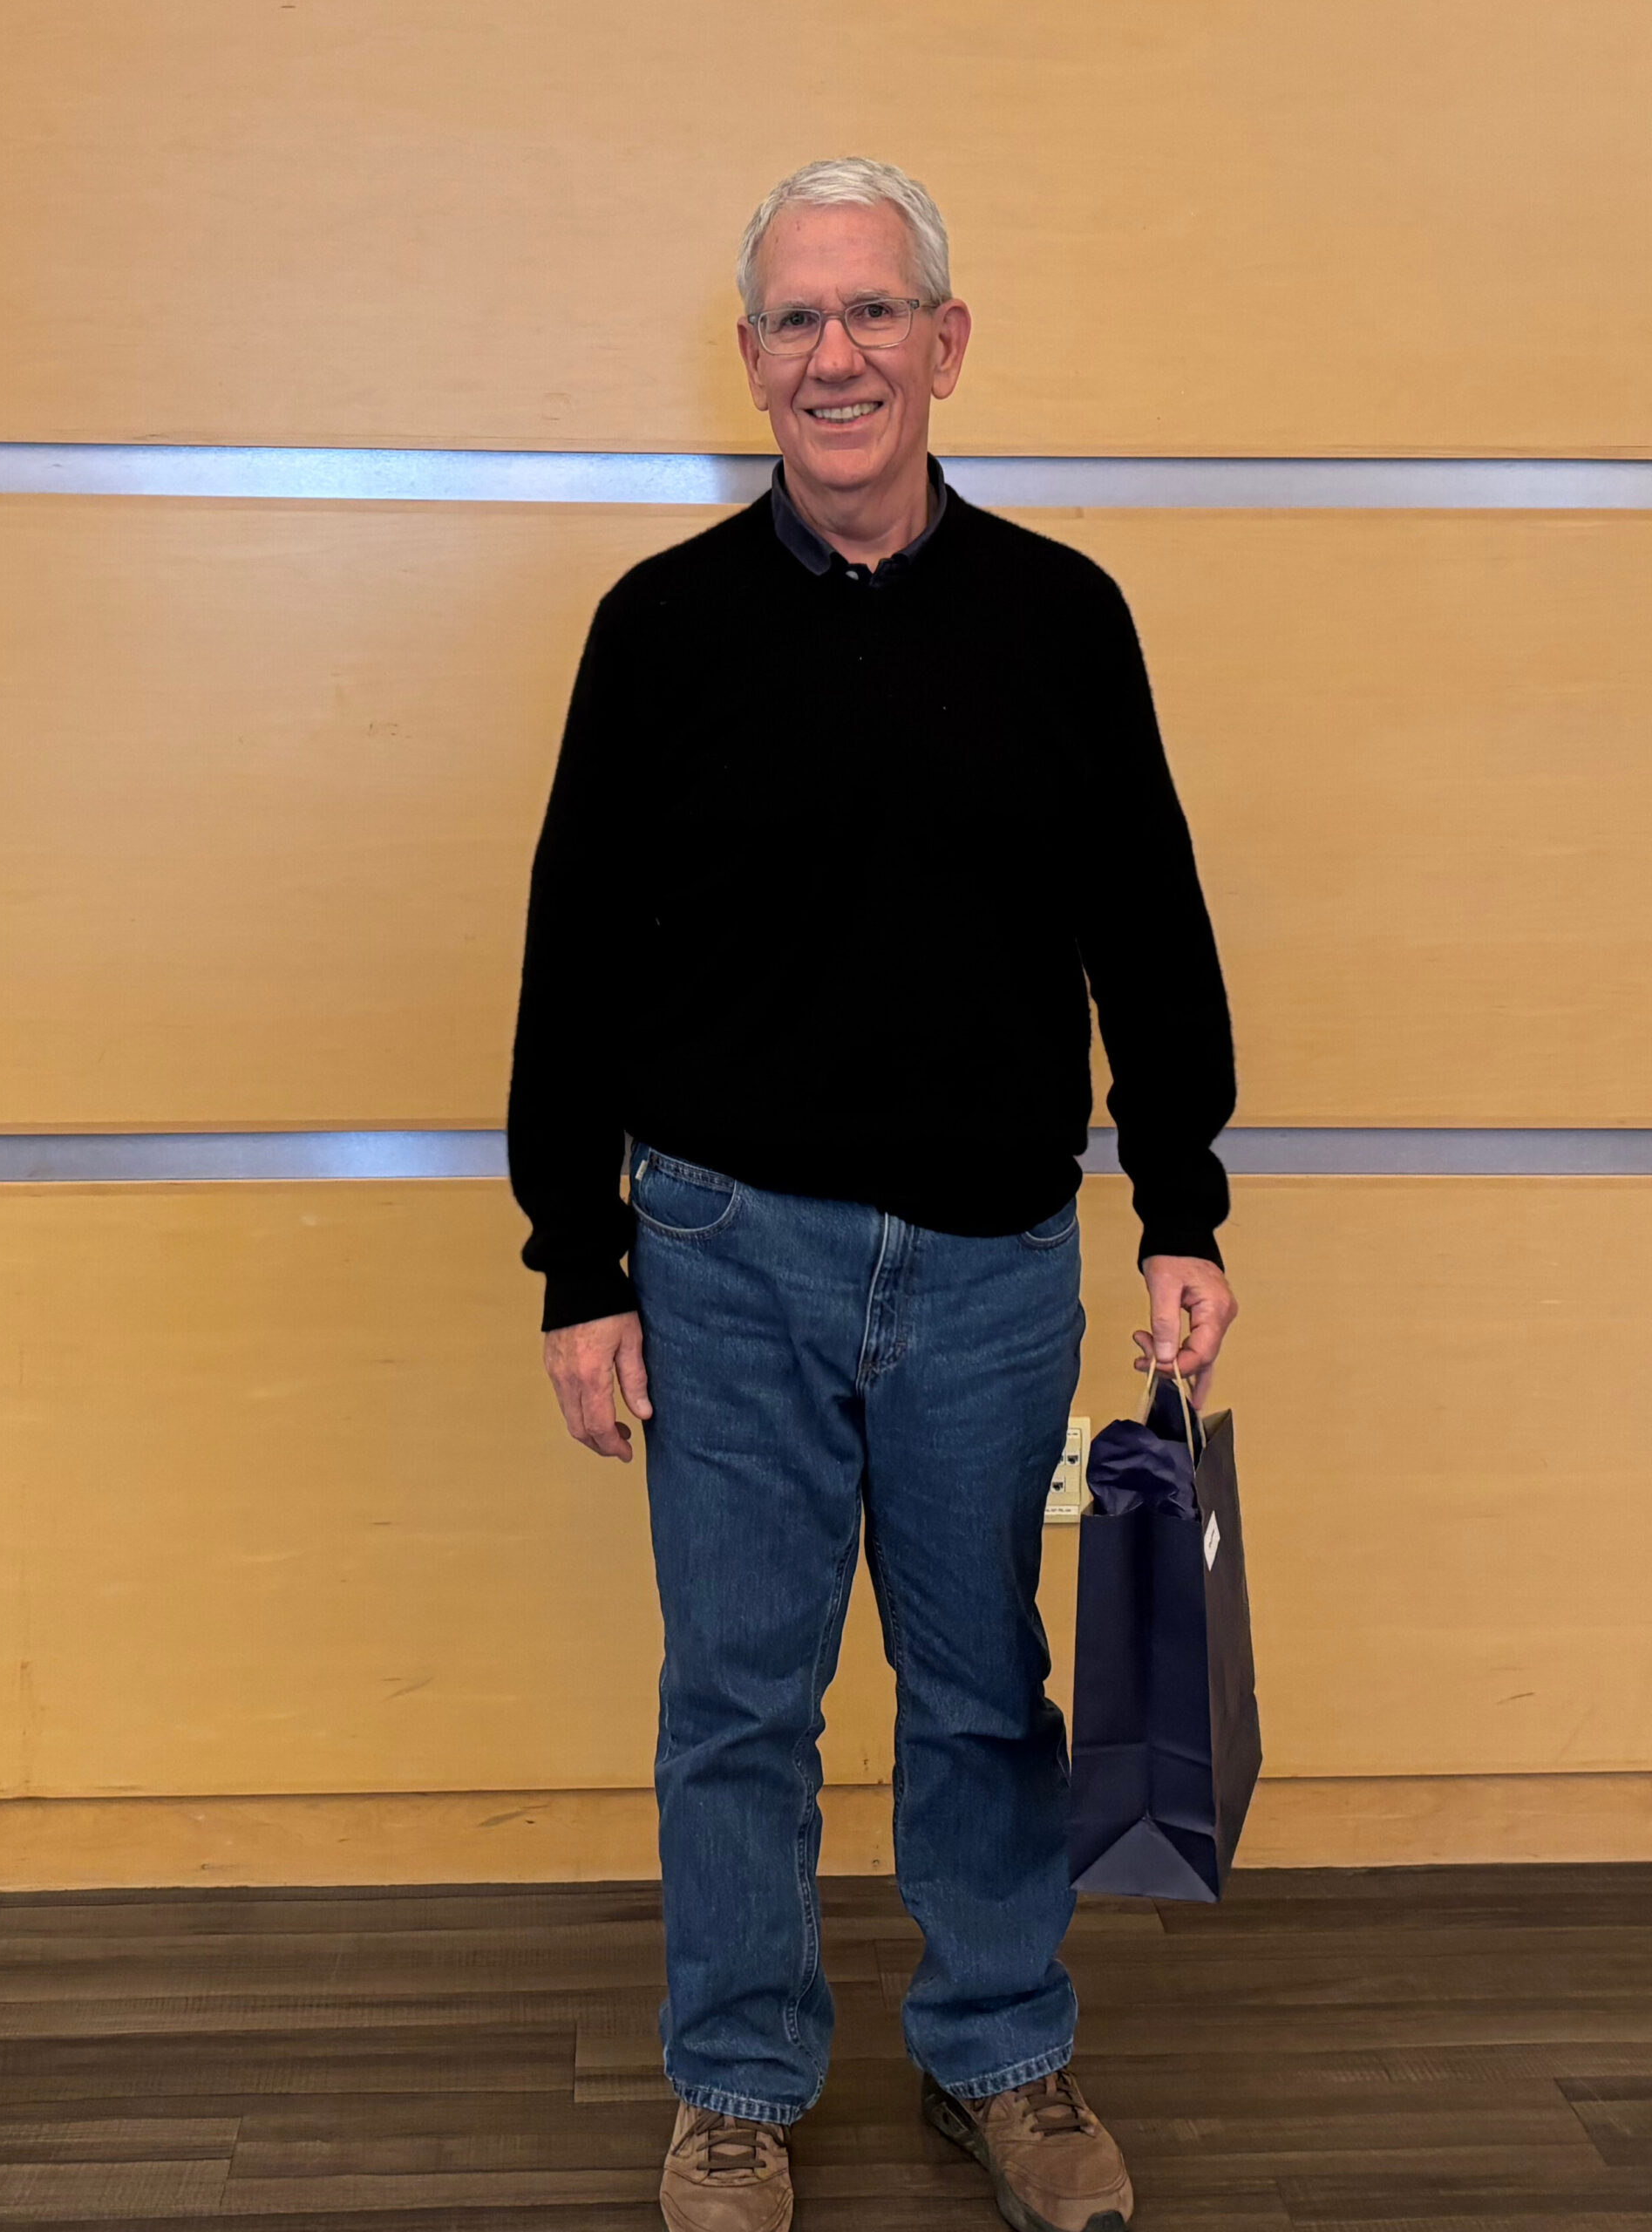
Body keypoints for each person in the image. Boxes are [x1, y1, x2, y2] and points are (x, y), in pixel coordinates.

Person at [508, 155, 1238, 2232]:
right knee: (735, 1695)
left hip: (992, 1265)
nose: (837, 354)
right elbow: (575, 961)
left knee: (981, 1688)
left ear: (944, 342)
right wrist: (579, 1258)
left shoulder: (1060, 619)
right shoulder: (658, 632)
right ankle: (733, 2086)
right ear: (750, 363)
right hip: (721, 1251)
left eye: (873, 311)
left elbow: (1147, 931)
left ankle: (1001, 2053)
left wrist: (1176, 1202)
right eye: (797, 320)